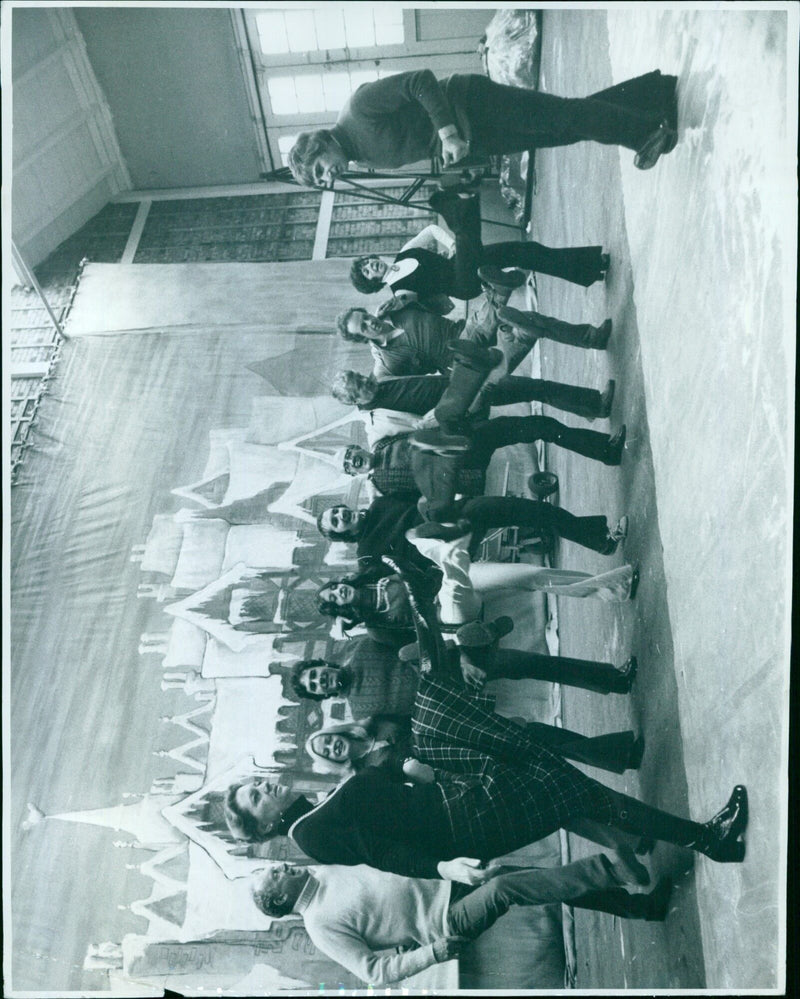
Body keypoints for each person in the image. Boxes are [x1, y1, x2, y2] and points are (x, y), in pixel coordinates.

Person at [250, 859, 672, 986]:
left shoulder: (321, 872)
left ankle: (642, 908)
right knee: (509, 888)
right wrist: (431, 953)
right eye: (274, 874)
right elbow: (373, 972)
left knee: (528, 878)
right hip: (445, 924)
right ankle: (613, 870)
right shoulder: (319, 925)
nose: (280, 865)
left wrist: (450, 869)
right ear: (279, 899)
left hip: (449, 886)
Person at [287, 69, 679, 185]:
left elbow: (420, 81)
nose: (328, 177)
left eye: (321, 168)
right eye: (321, 181)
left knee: (564, 116)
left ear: (321, 144)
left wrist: (447, 133)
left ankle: (643, 134)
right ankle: (654, 93)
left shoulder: (357, 110)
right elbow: (417, 140)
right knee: (565, 128)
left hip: (472, 102)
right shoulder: (359, 157)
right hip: (478, 137)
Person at [339, 414, 628, 507]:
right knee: (537, 427)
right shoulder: (382, 481)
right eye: (351, 465)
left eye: (352, 454)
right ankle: (605, 451)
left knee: (538, 425)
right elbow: (430, 485)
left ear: (358, 447)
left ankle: (604, 450)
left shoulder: (384, 442)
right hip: (466, 465)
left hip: (466, 442)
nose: (356, 461)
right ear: (353, 474)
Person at [338, 298, 612, 381]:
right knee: (509, 315)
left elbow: (441, 303)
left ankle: (592, 338)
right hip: (461, 358)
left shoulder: (400, 310)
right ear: (363, 338)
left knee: (522, 317)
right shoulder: (389, 361)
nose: (370, 324)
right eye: (363, 328)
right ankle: (502, 305)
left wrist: (407, 298)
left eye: (365, 317)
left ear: (366, 311)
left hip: (466, 328)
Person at [349, 212, 609, 298]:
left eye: (367, 262)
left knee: (526, 251)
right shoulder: (400, 293)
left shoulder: (404, 253)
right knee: (524, 254)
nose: (371, 265)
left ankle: (591, 268)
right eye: (367, 271)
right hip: (464, 284)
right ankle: (592, 266)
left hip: (462, 261)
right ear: (372, 282)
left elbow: (430, 229)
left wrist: (451, 244)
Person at [305, 714, 645, 779]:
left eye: (329, 740)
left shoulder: (374, 722)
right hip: (454, 762)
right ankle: (619, 754)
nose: (333, 746)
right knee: (537, 761)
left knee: (536, 734)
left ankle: (619, 754)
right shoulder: (367, 771)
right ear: (333, 760)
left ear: (336, 732)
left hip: (458, 732)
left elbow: (421, 710)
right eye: (328, 752)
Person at [332, 368, 616, 423]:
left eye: (358, 377)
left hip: (463, 383)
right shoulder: (380, 415)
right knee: (534, 387)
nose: (364, 381)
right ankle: (595, 405)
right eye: (359, 386)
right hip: (466, 399)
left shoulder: (381, 381)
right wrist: (461, 405)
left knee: (533, 388)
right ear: (356, 400)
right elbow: (422, 424)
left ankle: (589, 407)